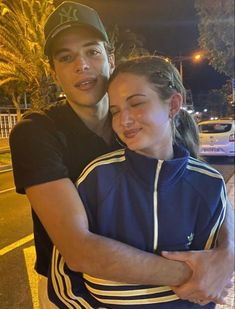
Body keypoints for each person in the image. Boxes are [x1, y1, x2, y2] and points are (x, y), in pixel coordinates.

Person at [9, 1, 234, 308]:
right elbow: (79, 250)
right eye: (66, 57)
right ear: (54, 72)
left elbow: (205, 190)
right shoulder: (37, 132)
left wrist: (227, 253)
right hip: (74, 294)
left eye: (92, 51)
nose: (82, 65)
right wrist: (194, 274)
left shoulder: (142, 126)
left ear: (109, 57)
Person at [46, 55, 229, 308]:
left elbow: (205, 287)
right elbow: (65, 277)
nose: (124, 121)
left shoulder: (208, 185)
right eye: (116, 111)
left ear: (173, 105)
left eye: (136, 104)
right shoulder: (97, 177)